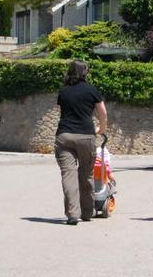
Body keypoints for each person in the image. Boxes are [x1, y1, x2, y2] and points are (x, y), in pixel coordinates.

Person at [55, 60, 108, 225]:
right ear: (84, 73)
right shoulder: (92, 91)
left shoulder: (63, 92)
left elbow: (61, 113)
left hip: (64, 136)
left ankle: (72, 214)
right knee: (86, 174)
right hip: (86, 136)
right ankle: (86, 213)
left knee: (68, 175)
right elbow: (103, 113)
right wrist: (101, 129)